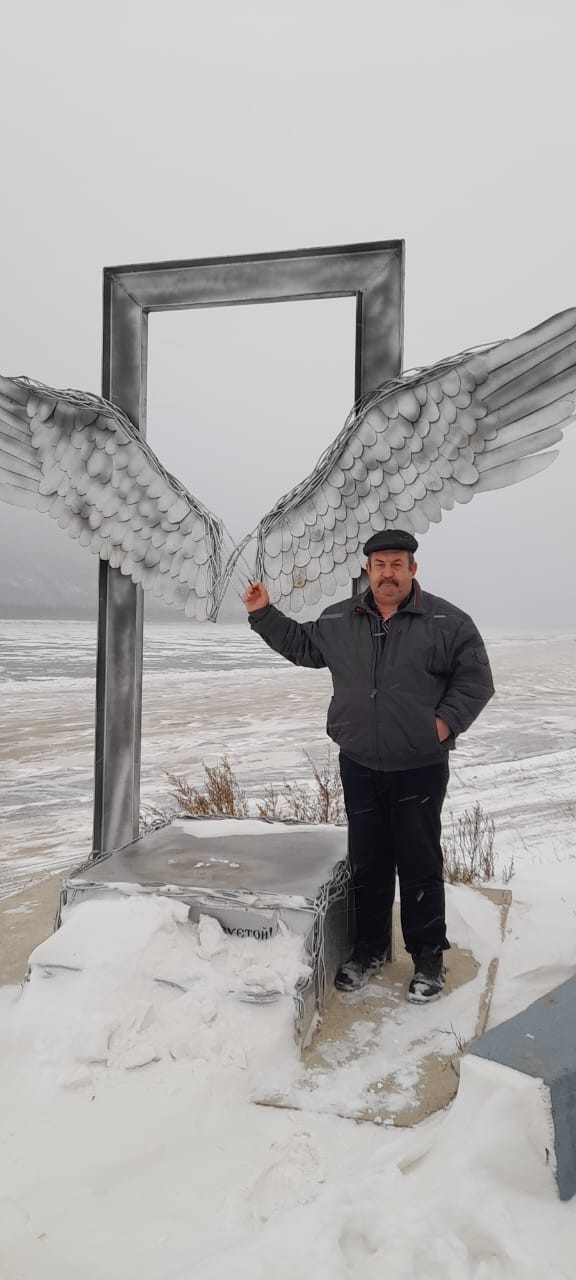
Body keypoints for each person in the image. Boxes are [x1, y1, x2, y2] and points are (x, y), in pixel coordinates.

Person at [243, 530, 494, 1003]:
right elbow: (303, 645)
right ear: (367, 570)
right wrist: (263, 613)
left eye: (397, 564)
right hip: (359, 762)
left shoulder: (447, 622)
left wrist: (440, 726)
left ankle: (428, 960)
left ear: (413, 569)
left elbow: (476, 680)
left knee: (419, 863)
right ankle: (370, 951)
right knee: (368, 862)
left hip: (419, 764)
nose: (388, 573)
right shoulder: (341, 619)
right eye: (380, 565)